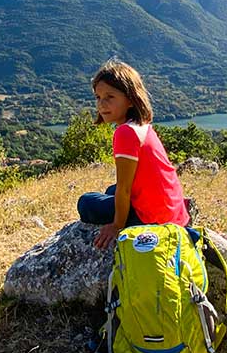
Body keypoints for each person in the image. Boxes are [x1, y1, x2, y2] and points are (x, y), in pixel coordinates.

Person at [77, 59, 190, 249]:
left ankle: (123, 217)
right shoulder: (141, 126)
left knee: (86, 202)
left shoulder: (125, 133)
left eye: (110, 97)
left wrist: (117, 226)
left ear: (130, 99)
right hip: (173, 213)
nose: (102, 104)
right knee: (110, 191)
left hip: (152, 219)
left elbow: (125, 189)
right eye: (98, 97)